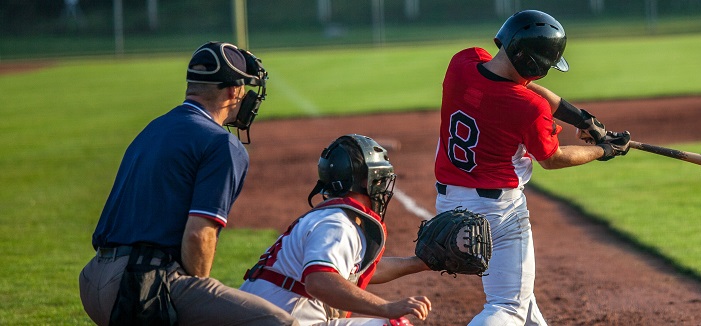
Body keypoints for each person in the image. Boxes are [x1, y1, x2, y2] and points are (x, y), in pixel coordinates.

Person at [80, 41, 299, 326]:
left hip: (92, 279)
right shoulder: (222, 144)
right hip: (140, 287)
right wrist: (201, 294)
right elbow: (199, 236)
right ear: (233, 91)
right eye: (244, 88)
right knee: (281, 323)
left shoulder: (153, 128)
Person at [433, 10, 630, 326]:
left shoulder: (462, 63)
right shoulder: (528, 108)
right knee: (507, 306)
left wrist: (582, 119)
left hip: (447, 204)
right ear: (535, 66)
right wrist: (602, 150)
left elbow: (511, 79)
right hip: (498, 212)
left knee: (520, 299)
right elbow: (553, 159)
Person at [240, 134, 433, 325]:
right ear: (366, 180)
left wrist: (419, 263)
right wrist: (387, 308)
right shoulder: (338, 224)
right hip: (283, 320)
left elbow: (352, 271)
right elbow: (319, 280)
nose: (383, 184)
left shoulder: (330, 217)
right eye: (380, 177)